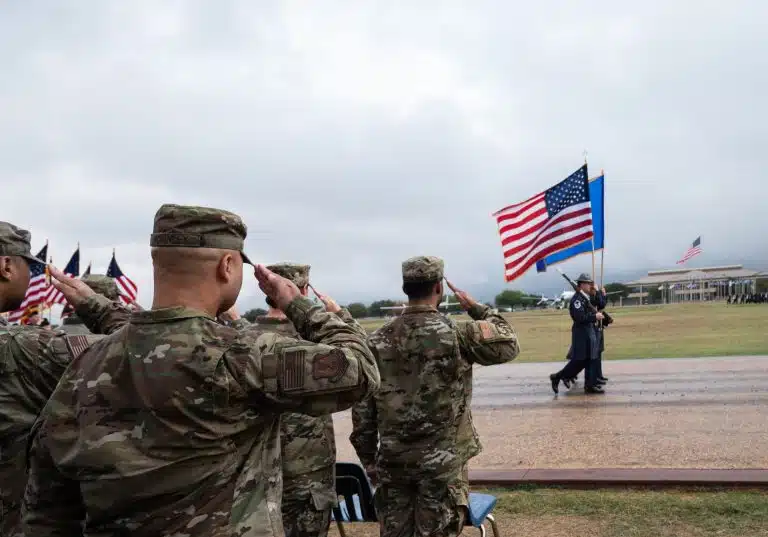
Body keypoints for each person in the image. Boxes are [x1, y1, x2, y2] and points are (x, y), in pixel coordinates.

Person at [21, 204, 380, 537]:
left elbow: (47, 506)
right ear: (228, 265)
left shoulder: (85, 365)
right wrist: (297, 303)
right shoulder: (242, 355)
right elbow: (360, 370)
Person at [349, 255, 520, 537]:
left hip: (393, 463)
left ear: (406, 288)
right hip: (443, 465)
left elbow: (363, 410)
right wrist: (477, 308)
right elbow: (508, 343)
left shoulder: (376, 340)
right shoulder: (458, 334)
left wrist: (369, 460)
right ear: (439, 288)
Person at [225, 262, 367, 537]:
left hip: (256, 483)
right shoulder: (316, 344)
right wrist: (339, 314)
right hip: (308, 482)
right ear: (301, 291)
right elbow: (362, 363)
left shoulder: (242, 340)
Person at [0, 221, 102, 536]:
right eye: (28, 268)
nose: (32, 278)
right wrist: (96, 307)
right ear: (5, 265)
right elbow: (144, 352)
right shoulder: (23, 348)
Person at [549, 273, 605, 394]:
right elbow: (580, 317)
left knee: (590, 359)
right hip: (581, 333)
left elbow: (600, 303)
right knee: (579, 360)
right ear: (582, 284)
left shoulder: (585, 297)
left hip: (588, 331)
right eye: (588, 283)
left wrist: (599, 293)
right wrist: (594, 316)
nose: (590, 285)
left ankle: (589, 385)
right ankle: (558, 376)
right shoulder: (577, 300)